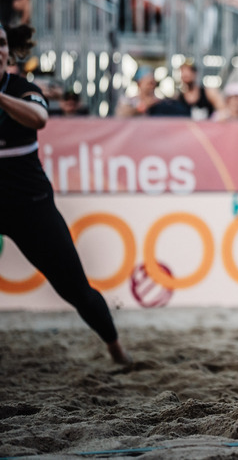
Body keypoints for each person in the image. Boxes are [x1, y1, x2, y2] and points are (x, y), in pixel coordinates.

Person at [0, 24, 131, 366]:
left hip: (30, 207)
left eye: (0, 44)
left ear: (8, 51)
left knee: (76, 290)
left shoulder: (22, 88)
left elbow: (40, 119)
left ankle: (117, 351)